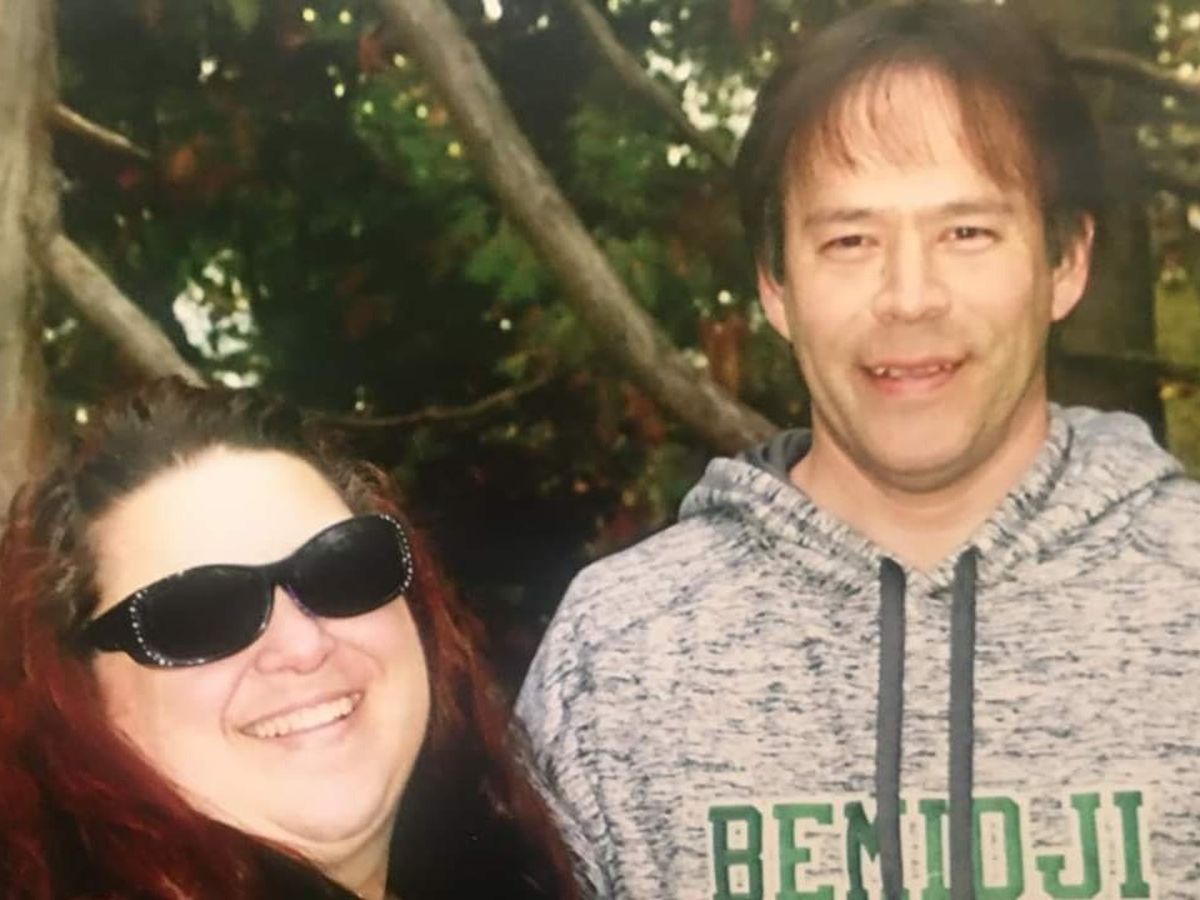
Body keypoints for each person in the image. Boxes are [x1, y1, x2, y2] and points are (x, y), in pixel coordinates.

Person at [516, 2, 1200, 898]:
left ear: (1065, 261)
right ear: (776, 285)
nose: (909, 297)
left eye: (967, 232)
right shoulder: (619, 656)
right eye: (850, 240)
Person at [0, 379, 578, 900]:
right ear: (77, 693)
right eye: (200, 613)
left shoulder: (524, 862)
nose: (303, 647)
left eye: (341, 568)